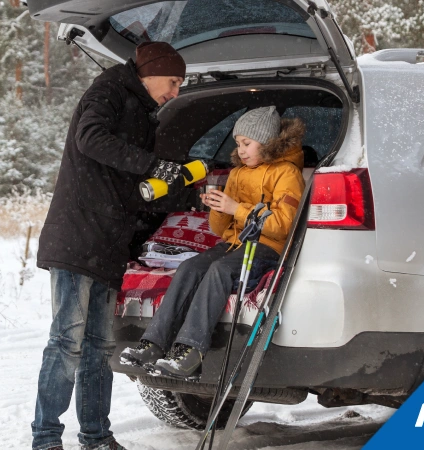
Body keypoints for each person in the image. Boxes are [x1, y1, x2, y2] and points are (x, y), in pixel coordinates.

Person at [31, 42, 191, 450]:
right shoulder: (109, 91)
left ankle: (97, 437)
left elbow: (126, 183)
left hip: (109, 242)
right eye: (172, 81)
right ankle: (46, 439)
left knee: (100, 349)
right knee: (67, 342)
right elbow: (90, 138)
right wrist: (152, 164)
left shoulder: (142, 111)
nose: (175, 91)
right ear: (150, 71)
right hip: (77, 236)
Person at [120, 106, 306, 379]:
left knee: (220, 271)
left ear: (267, 142)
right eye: (238, 144)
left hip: (268, 248)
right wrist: (219, 209)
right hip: (234, 245)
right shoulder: (238, 173)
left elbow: (283, 227)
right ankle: (154, 344)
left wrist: (237, 209)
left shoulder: (287, 173)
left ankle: (190, 352)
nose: (241, 150)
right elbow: (220, 230)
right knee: (189, 269)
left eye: (247, 143)